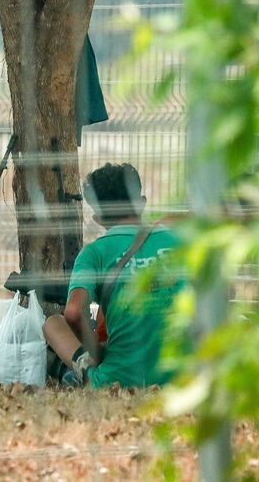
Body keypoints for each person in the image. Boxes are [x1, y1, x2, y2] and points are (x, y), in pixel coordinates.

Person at [43, 163, 183, 387]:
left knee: (53, 323)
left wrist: (96, 352)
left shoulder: (94, 253)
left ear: (97, 217)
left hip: (118, 380)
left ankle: (84, 371)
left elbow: (73, 312)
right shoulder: (178, 239)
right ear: (142, 203)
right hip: (184, 378)